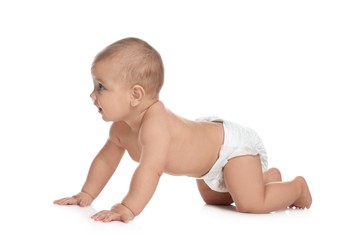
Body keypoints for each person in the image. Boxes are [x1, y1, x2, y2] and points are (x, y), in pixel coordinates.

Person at [54, 37, 312, 223]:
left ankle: (297, 188)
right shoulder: (120, 129)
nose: (92, 95)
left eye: (101, 87)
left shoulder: (156, 125)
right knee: (216, 201)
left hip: (230, 148)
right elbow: (106, 160)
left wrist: (127, 208)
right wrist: (86, 194)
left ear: (135, 95)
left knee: (250, 204)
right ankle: (264, 179)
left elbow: (150, 169)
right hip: (209, 166)